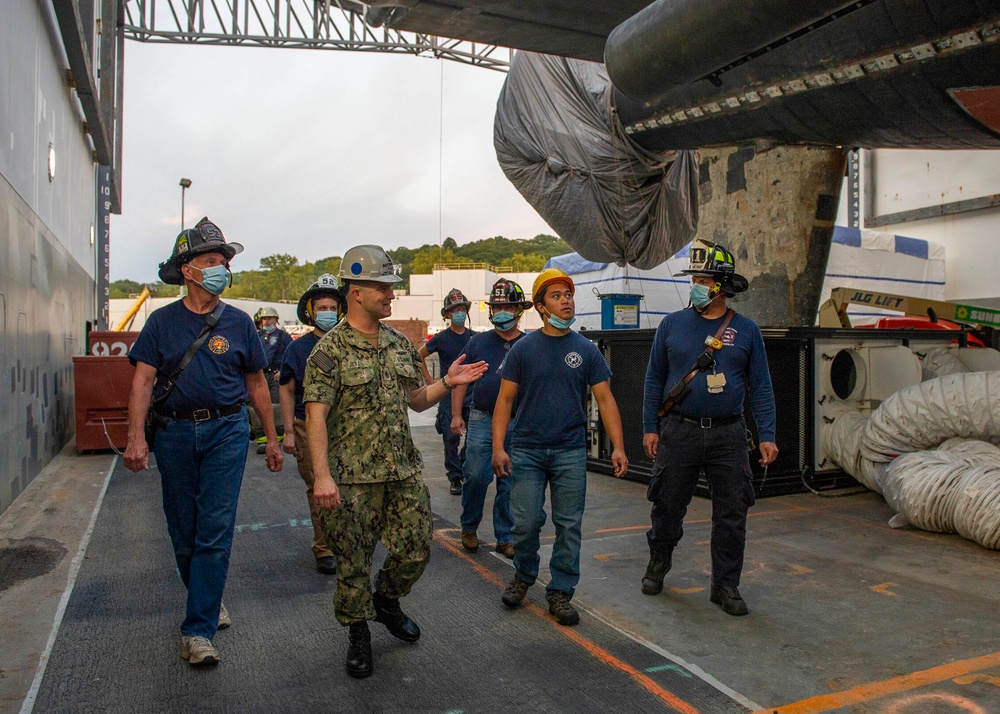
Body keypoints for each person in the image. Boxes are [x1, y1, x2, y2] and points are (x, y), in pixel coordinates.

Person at [303, 245, 487, 679]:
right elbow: (316, 416)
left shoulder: (398, 344)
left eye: (391, 287)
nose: (391, 294)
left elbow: (417, 401)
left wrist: (447, 383)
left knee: (415, 549)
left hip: (401, 472)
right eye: (383, 287)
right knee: (353, 562)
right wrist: (322, 478)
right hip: (352, 479)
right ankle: (358, 633)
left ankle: (385, 601)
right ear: (356, 292)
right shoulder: (329, 352)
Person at [124, 217, 283, 667]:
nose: (220, 269)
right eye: (210, 261)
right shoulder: (160, 323)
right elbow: (142, 382)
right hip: (172, 432)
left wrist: (271, 438)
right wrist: (135, 437)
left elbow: (256, 383)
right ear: (187, 270)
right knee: (182, 527)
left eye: (223, 262)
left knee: (214, 528)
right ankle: (206, 596)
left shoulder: (238, 323)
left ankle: (197, 629)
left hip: (227, 432)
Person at [640, 239, 778, 617]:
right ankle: (658, 563)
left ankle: (726, 584)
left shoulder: (746, 331)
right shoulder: (671, 325)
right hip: (679, 431)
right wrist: (650, 426)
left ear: (721, 285)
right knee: (667, 504)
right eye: (695, 278)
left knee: (732, 512)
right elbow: (654, 379)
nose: (696, 285)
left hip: (729, 435)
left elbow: (761, 386)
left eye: (702, 278)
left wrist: (767, 434)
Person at [491, 268, 628, 627]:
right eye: (556, 295)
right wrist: (498, 447)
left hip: (569, 450)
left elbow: (606, 399)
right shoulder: (523, 350)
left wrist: (618, 446)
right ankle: (523, 574)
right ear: (540, 306)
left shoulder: (585, 350)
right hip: (526, 450)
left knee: (569, 524)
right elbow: (504, 401)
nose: (566, 301)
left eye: (568, 294)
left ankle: (560, 592)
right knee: (525, 522)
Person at [450, 279, 533, 558]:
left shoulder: (529, 344)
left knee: (509, 479)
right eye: (498, 307)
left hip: (518, 421)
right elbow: (461, 380)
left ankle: (505, 536)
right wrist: (455, 415)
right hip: (482, 418)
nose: (502, 312)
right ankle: (469, 526)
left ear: (519, 310)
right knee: (475, 475)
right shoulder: (478, 343)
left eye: (508, 307)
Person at [278, 273, 343, 576]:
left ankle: (346, 542)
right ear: (311, 311)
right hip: (307, 424)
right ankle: (324, 547)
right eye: (322, 307)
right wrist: (289, 431)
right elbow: (287, 389)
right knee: (318, 487)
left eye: (332, 307)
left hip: (343, 425)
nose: (327, 312)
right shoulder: (298, 348)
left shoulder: (348, 343)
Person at [418, 288, 473, 495]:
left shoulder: (474, 337)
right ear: (447, 314)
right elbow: (419, 356)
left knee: (474, 436)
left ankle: (462, 464)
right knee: (451, 437)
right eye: (454, 310)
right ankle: (455, 477)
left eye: (462, 309)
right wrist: (431, 381)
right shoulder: (441, 338)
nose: (459, 313)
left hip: (472, 395)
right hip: (449, 395)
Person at [254, 306, 292, 451]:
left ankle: (278, 433)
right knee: (257, 405)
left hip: (275, 375)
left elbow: (290, 355)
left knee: (275, 404)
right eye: (264, 318)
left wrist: (283, 370)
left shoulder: (283, 336)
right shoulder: (257, 336)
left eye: (269, 318)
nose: (267, 321)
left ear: (276, 320)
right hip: (260, 374)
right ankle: (261, 436)